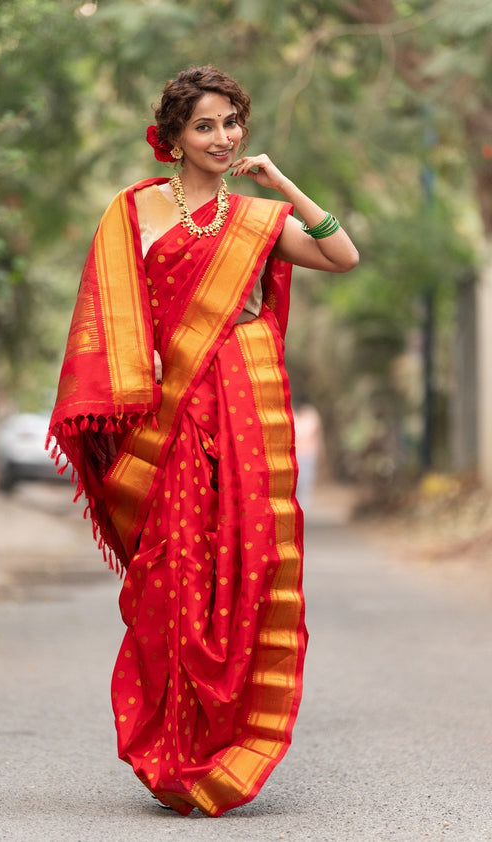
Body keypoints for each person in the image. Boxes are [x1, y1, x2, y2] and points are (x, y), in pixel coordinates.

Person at [48, 65, 358, 817]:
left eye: (232, 124)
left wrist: (278, 179)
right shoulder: (135, 213)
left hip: (248, 397)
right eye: (206, 127)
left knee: (244, 562)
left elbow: (341, 254)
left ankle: (230, 742)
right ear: (173, 137)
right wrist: (137, 371)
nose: (223, 139)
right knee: (172, 568)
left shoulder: (256, 219)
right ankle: (174, 745)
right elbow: (110, 317)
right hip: (172, 406)